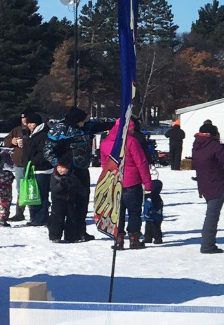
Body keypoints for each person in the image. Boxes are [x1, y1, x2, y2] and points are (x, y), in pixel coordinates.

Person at [44, 106, 115, 243]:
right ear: (76, 120)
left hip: (82, 169)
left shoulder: (86, 127)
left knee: (82, 202)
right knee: (63, 204)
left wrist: (120, 121)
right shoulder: (59, 130)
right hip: (66, 171)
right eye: (82, 121)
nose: (84, 123)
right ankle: (56, 233)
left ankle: (78, 233)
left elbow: (101, 124)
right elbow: (47, 151)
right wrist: (59, 165)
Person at [99, 117, 153, 249]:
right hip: (131, 182)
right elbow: (141, 163)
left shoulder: (106, 142)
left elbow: (104, 164)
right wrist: (148, 183)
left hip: (114, 182)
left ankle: (119, 239)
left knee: (118, 212)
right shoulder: (131, 141)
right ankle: (134, 238)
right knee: (134, 212)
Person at [193, 121, 224, 253]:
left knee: (211, 214)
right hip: (215, 183)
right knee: (212, 215)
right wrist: (222, 148)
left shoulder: (197, 145)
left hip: (203, 183)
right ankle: (207, 244)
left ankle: (208, 243)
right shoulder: (214, 145)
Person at [22, 112, 52, 226]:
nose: (29, 125)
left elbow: (43, 153)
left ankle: (41, 218)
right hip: (34, 169)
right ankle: (35, 217)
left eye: (31, 123)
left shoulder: (42, 135)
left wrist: (32, 161)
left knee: (41, 195)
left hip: (41, 169)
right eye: (28, 123)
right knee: (34, 195)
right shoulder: (32, 134)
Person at [6, 114, 30, 221]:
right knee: (21, 189)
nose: (24, 120)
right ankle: (19, 213)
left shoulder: (34, 129)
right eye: (22, 118)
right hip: (19, 164)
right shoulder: (16, 130)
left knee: (34, 188)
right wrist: (12, 141)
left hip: (32, 164)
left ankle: (38, 212)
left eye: (26, 118)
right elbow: (6, 141)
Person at [0, 148, 16, 227]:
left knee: (5, 202)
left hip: (2, 184)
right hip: (1, 187)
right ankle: (3, 219)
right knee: (3, 203)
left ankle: (4, 218)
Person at [142, 178, 165, 244]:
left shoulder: (152, 197)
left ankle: (157, 238)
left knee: (155, 228)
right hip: (154, 216)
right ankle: (148, 238)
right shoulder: (157, 197)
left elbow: (149, 206)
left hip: (152, 216)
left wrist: (148, 213)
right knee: (149, 228)